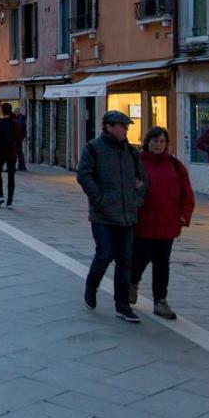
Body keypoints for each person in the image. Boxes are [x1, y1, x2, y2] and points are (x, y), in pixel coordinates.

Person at [77, 110, 147, 323]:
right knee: (105, 254)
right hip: (103, 215)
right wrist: (99, 199)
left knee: (125, 261)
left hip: (127, 214)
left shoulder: (130, 151)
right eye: (122, 125)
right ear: (108, 126)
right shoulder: (94, 148)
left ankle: (122, 305)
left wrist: (137, 198)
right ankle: (92, 284)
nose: (126, 129)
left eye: (126, 126)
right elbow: (84, 175)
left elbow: (142, 178)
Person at [132, 126, 195, 320]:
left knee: (162, 264)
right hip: (143, 222)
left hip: (168, 224)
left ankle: (160, 301)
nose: (158, 145)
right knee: (140, 259)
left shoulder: (175, 165)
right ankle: (131, 284)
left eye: (162, 141)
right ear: (147, 142)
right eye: (154, 141)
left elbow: (187, 193)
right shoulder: (137, 164)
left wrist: (184, 216)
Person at [0, 102, 23, 208]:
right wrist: (16, 150)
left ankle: (0, 196)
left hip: (1, 152)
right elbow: (19, 139)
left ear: (2, 111)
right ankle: (9, 201)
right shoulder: (16, 124)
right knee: (11, 176)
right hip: (12, 153)